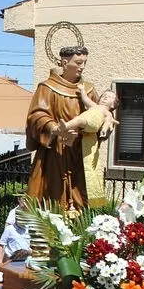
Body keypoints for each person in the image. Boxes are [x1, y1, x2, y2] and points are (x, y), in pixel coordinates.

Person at [26, 46, 110, 208]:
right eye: (78, 62)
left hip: (80, 152)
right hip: (54, 153)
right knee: (52, 198)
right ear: (65, 63)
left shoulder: (89, 90)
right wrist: (54, 128)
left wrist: (101, 127)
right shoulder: (47, 88)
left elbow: (99, 113)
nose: (82, 66)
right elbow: (36, 116)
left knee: (81, 199)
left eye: (84, 62)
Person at [57, 89, 120, 199]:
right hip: (85, 123)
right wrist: (81, 89)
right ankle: (69, 139)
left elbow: (108, 121)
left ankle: (65, 126)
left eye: (109, 97)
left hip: (92, 123)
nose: (105, 97)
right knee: (77, 124)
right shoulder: (93, 105)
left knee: (79, 120)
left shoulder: (107, 112)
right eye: (104, 95)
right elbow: (85, 99)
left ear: (113, 104)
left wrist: (104, 129)